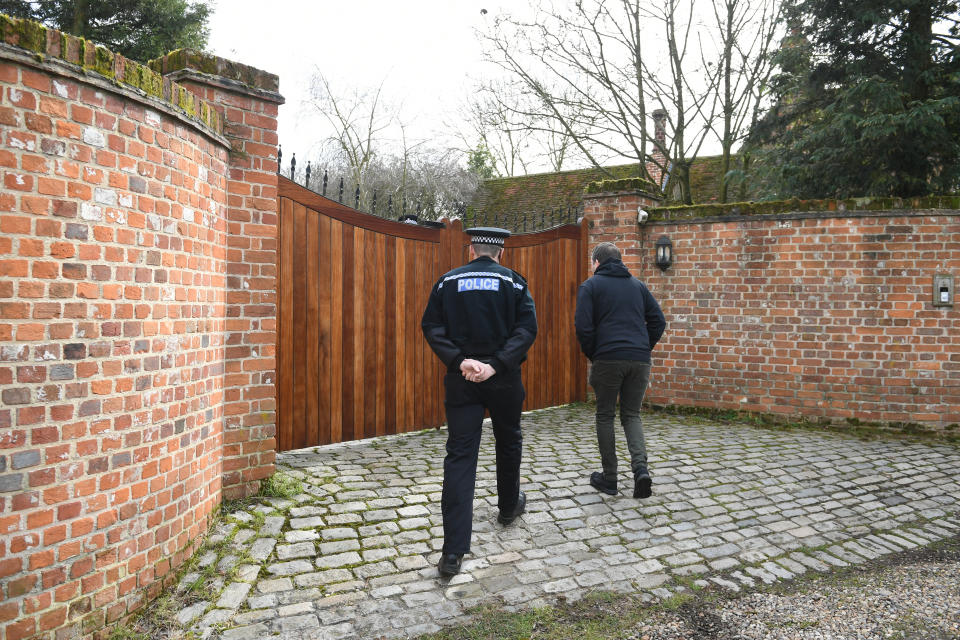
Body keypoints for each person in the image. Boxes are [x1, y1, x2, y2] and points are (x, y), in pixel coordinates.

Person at [421, 226, 538, 578]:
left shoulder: (447, 282)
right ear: (500, 252)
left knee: (460, 456)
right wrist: (496, 365)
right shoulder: (515, 283)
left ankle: (453, 552)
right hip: (502, 378)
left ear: (471, 250)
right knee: (508, 440)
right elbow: (526, 329)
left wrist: (460, 361)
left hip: (462, 380)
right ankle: (507, 507)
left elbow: (431, 326)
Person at [575, 242, 666, 499]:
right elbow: (659, 320)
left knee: (605, 415)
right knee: (631, 415)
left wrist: (596, 352)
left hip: (608, 358)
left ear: (596, 263)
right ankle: (641, 471)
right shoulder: (638, 286)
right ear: (620, 261)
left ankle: (610, 478)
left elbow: (583, 327)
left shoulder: (590, 286)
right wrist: (642, 346)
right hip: (639, 360)